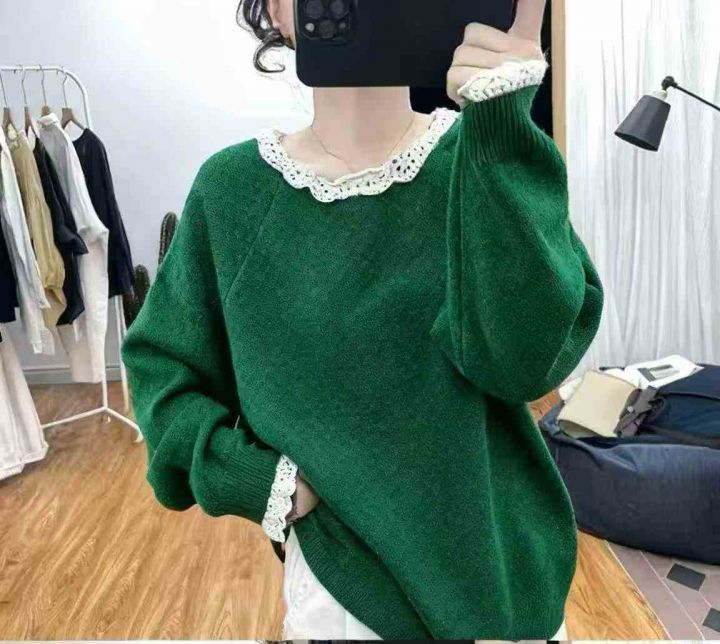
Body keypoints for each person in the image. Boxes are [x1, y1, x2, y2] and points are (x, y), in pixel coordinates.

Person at [120, 0, 604, 638]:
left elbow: (523, 365)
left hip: (503, 582)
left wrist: (503, 121)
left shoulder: (483, 156)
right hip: (344, 593)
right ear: (275, 13)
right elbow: (161, 366)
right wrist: (258, 481)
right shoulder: (234, 192)